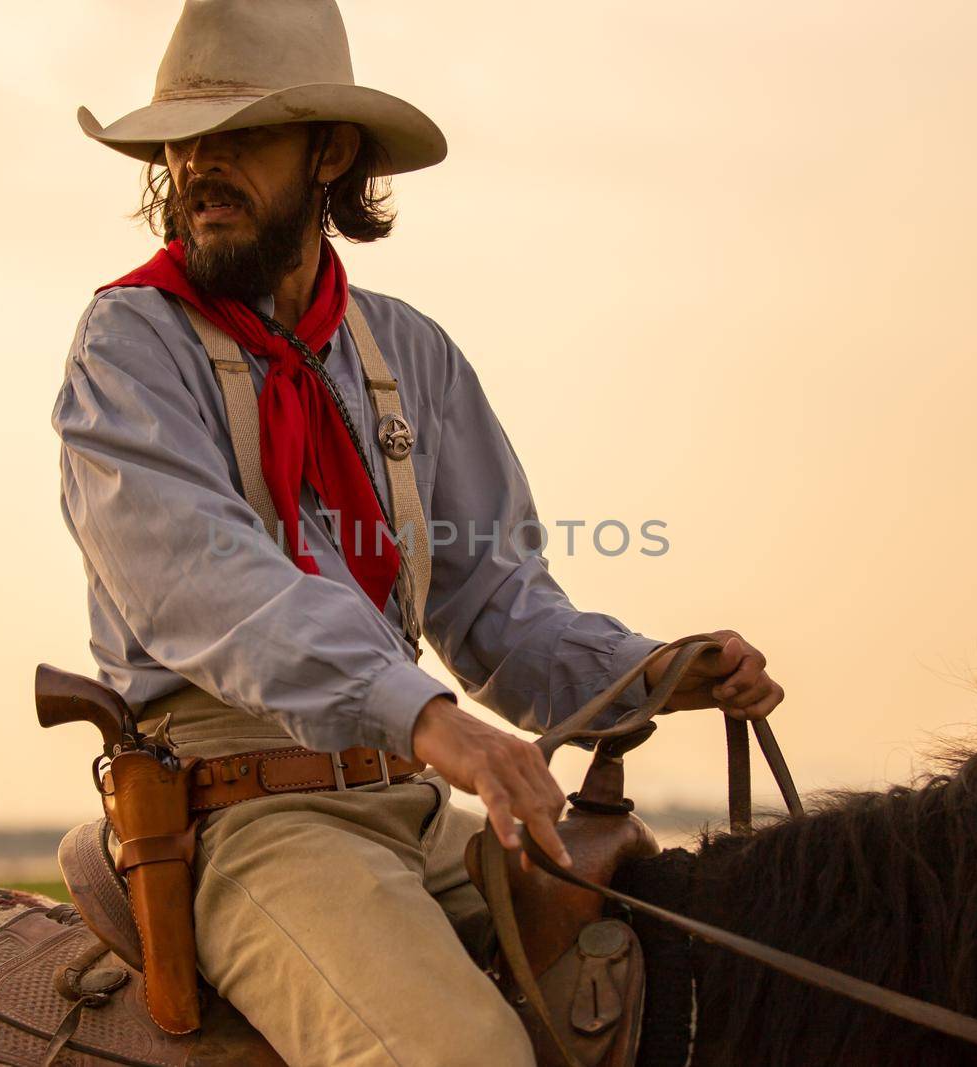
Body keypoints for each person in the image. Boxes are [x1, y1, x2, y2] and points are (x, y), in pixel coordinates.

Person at [52, 2, 784, 1064]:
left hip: (409, 802)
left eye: (239, 135)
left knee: (693, 984)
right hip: (247, 817)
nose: (198, 164)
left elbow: (496, 606)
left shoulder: (408, 354)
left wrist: (655, 670)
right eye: (182, 138)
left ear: (330, 153)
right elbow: (208, 587)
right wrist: (431, 718)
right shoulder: (128, 342)